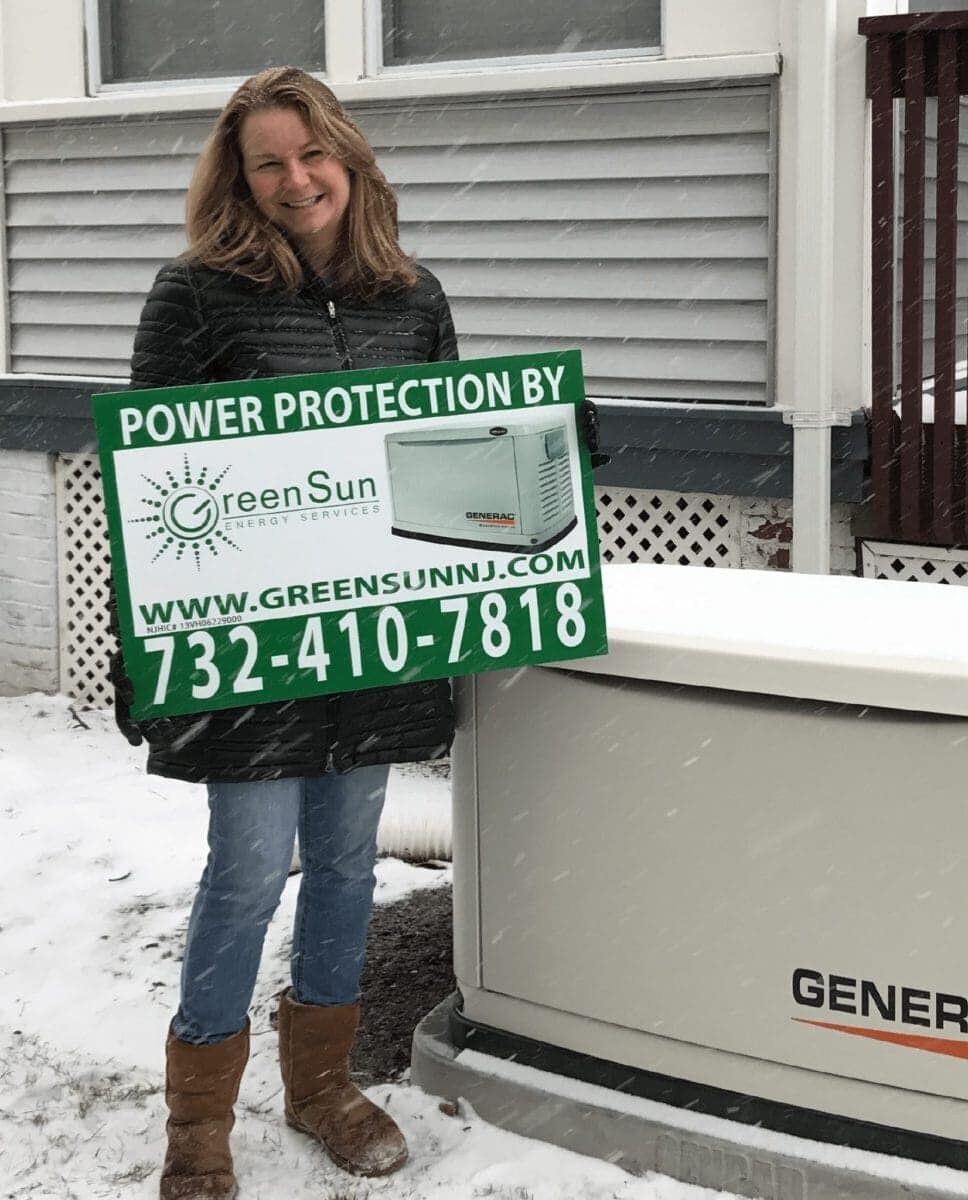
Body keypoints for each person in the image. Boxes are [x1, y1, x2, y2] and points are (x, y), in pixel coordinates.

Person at [111, 66, 604, 1200]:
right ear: (239, 180)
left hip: (372, 641)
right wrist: (147, 649)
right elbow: (155, 484)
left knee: (343, 867)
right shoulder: (196, 294)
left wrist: (549, 446)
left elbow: (452, 460)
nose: (296, 180)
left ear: (350, 159)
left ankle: (322, 1085)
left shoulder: (411, 296)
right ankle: (199, 1123)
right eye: (268, 163)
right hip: (255, 650)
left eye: (311, 154)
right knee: (244, 874)